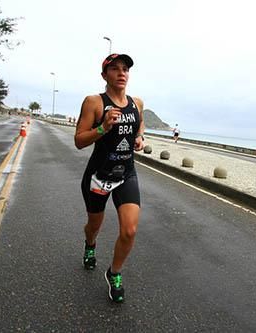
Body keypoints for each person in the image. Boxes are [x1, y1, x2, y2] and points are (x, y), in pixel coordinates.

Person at [74, 53, 145, 303]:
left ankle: (114, 272)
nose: (121, 73)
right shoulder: (94, 102)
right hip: (98, 176)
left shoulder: (137, 103)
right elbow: (79, 141)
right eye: (114, 68)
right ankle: (90, 244)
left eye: (125, 68)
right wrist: (103, 127)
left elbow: (140, 124)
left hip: (126, 173)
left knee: (130, 229)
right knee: (95, 225)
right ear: (104, 75)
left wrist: (139, 137)